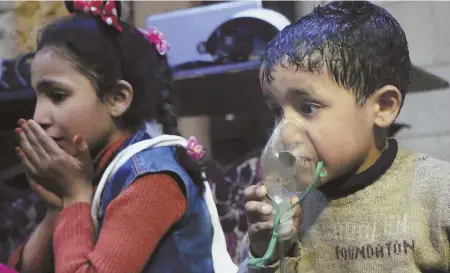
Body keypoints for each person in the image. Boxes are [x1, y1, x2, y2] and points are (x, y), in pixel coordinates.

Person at [8, 1, 235, 272]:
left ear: (117, 98)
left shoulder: (152, 179)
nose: (38, 118)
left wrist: (75, 198)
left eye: (57, 96)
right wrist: (58, 206)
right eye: (37, 98)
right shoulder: (88, 171)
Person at [241, 1, 450, 272]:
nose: (285, 133)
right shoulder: (284, 208)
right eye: (277, 111)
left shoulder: (437, 195)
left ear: (383, 107)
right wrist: (266, 252)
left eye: (308, 108)